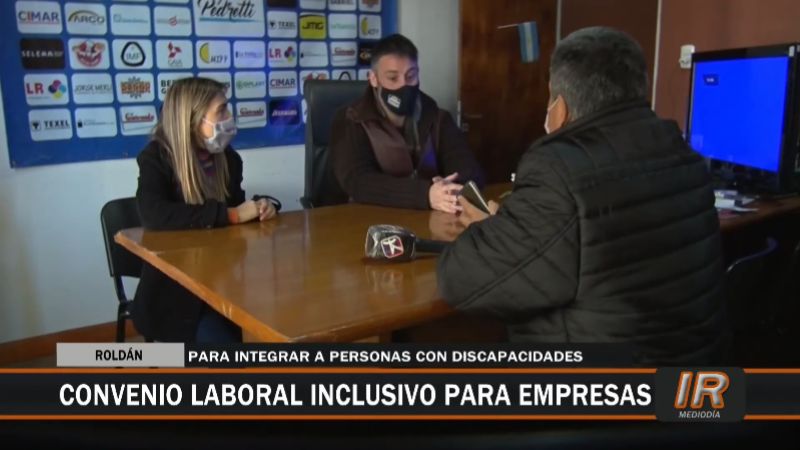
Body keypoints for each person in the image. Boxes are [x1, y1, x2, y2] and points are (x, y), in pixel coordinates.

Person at [437, 27, 728, 365]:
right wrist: (512, 228)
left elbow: (461, 279)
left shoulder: (559, 169)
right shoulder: (685, 156)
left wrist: (488, 231)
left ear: (559, 108)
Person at [132, 77, 277, 343]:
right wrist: (231, 215)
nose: (229, 117)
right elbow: (153, 214)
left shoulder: (228, 158)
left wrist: (260, 207)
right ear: (192, 119)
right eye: (221, 110)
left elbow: (234, 208)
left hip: (222, 283)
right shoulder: (156, 158)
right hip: (176, 297)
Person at [330, 33, 484, 213]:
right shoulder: (351, 119)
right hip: (368, 217)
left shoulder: (438, 117)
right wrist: (425, 194)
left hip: (429, 217)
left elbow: (469, 169)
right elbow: (358, 181)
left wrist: (450, 188)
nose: (404, 85)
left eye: (411, 76)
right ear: (374, 79)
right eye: (392, 78)